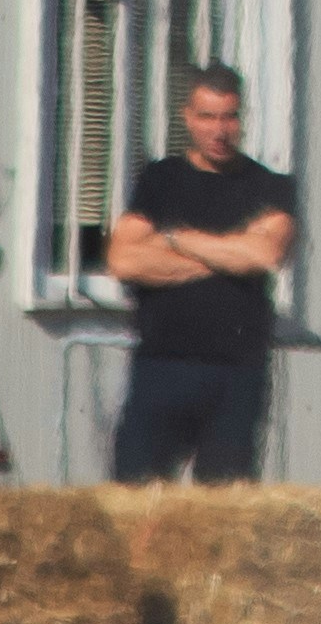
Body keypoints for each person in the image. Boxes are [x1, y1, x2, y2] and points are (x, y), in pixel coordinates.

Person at [109, 65, 295, 486]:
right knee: (137, 497)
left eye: (228, 117)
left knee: (224, 504)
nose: (219, 130)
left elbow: (264, 254)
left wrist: (173, 238)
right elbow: (124, 260)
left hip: (237, 372)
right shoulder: (160, 181)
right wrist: (229, 252)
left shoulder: (269, 187)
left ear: (242, 118)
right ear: (188, 117)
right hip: (162, 364)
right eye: (207, 117)